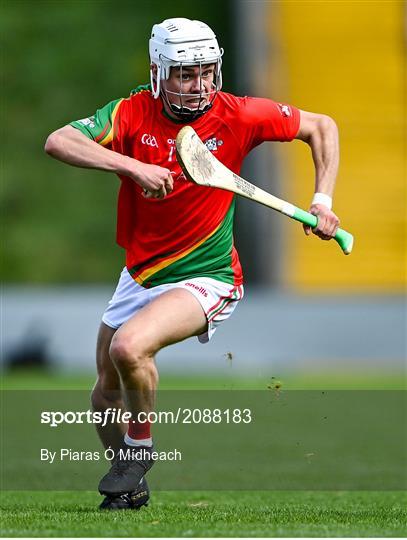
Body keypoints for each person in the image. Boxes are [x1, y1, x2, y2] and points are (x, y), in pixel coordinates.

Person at [45, 17, 340, 510]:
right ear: (159, 73)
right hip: (142, 272)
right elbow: (59, 140)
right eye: (185, 74)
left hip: (210, 274)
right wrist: (131, 165)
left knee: (130, 346)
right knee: (103, 398)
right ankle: (131, 485)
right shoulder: (132, 113)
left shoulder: (238, 115)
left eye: (207, 72)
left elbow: (320, 126)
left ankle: (139, 452)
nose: (199, 86)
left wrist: (322, 200)